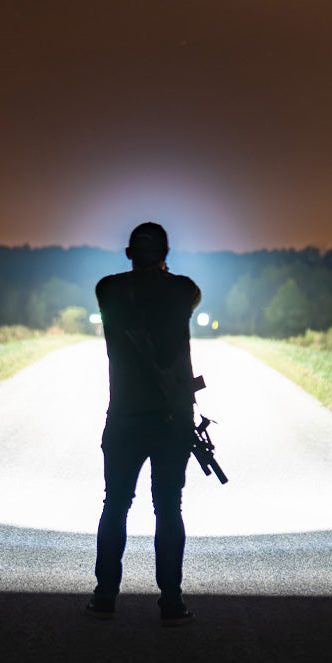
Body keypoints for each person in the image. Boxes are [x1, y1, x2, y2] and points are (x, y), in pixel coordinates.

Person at [85, 222, 201, 626]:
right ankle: (171, 601)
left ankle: (105, 597)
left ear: (129, 253)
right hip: (171, 418)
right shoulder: (183, 290)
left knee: (115, 504)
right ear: (166, 255)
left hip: (125, 415)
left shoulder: (108, 289)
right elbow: (183, 297)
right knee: (168, 507)